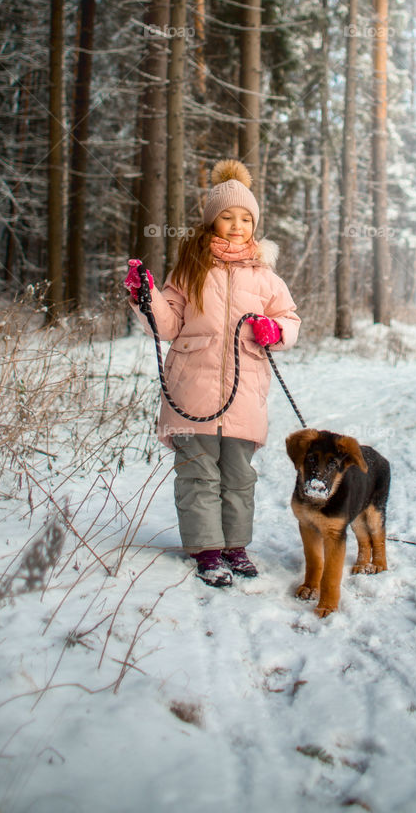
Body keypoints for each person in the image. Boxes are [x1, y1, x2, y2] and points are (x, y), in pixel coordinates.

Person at [126, 159, 300, 587]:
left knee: (239, 476)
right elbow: (166, 325)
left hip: (244, 392)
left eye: (245, 218)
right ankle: (207, 550)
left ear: (254, 225)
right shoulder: (189, 270)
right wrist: (144, 296)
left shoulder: (266, 276)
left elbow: (290, 322)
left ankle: (235, 546)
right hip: (192, 389)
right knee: (198, 474)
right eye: (227, 216)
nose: (236, 224)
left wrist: (273, 329)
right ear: (211, 222)